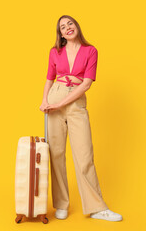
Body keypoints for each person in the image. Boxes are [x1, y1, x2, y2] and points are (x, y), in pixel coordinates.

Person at [40, 15, 123, 222]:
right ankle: (61, 204)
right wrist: (45, 101)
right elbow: (49, 80)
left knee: (85, 155)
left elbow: (86, 84)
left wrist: (60, 104)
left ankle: (96, 207)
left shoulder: (90, 50)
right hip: (55, 97)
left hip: (75, 101)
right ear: (60, 34)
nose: (67, 28)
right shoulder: (54, 52)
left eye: (70, 24)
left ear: (77, 26)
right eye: (62, 27)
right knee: (56, 154)